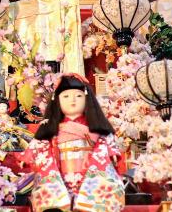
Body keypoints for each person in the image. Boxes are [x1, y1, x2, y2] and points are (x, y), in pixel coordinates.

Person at [24, 74, 124, 212]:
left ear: (87, 99)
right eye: (66, 96)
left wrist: (111, 151)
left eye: (78, 96)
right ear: (57, 100)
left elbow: (106, 141)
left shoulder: (96, 126)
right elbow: (39, 143)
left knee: (94, 194)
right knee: (57, 200)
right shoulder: (50, 127)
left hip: (89, 172)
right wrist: (28, 155)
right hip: (60, 173)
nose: (72, 100)